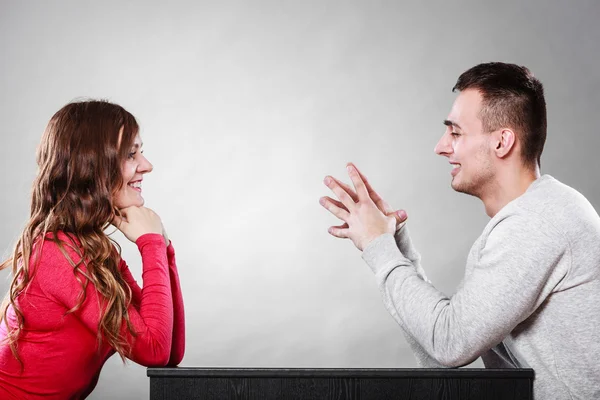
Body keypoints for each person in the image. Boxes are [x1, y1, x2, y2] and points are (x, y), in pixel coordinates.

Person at [319, 62, 600, 399]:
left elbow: (450, 342)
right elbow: (442, 360)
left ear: (502, 143)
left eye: (455, 132)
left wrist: (379, 247)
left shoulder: (538, 222)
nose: (441, 146)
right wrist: (394, 246)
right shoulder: (525, 219)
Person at [0, 100, 185, 399]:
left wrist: (162, 247)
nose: (146, 165)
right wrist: (149, 243)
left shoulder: (94, 251)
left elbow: (169, 349)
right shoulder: (57, 254)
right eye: (131, 154)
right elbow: (155, 350)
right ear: (92, 165)